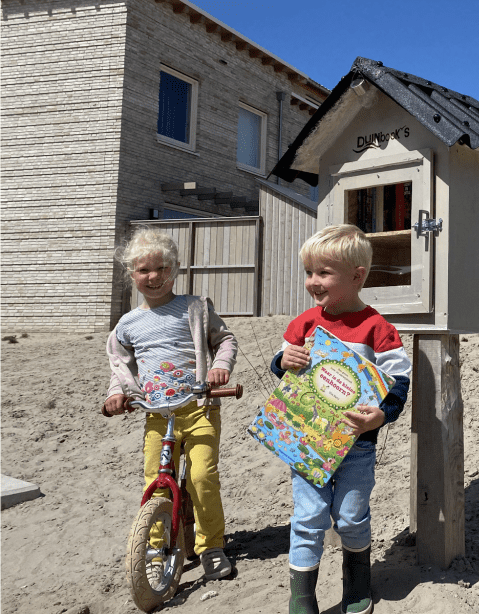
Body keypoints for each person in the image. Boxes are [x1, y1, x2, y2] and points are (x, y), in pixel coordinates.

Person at [270, 224, 411, 614]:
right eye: (309, 272)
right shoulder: (303, 324)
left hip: (357, 446)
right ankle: (301, 597)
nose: (313, 282)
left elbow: (399, 382)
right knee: (308, 518)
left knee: (350, 517)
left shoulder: (378, 329)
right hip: (308, 442)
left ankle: (357, 582)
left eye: (323, 272)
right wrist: (283, 361)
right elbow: (286, 374)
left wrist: (382, 415)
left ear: (357, 276)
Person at [103, 227, 237, 581]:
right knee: (157, 482)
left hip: (198, 409)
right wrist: (116, 394)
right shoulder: (128, 324)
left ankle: (211, 546)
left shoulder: (195, 308)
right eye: (144, 270)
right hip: (157, 415)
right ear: (131, 274)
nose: (154, 277)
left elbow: (225, 340)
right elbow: (121, 365)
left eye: (162, 268)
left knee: (202, 477)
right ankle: (156, 548)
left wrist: (221, 366)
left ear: (175, 268)